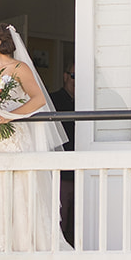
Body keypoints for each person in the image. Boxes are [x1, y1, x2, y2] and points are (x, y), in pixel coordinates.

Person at [0, 22, 69, 260]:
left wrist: (9, 116)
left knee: (16, 194)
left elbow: (38, 99)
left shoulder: (19, 68)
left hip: (11, 139)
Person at [48, 62, 75, 244]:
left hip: (87, 170)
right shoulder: (54, 100)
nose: (77, 81)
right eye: (73, 76)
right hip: (62, 172)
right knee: (61, 219)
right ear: (65, 76)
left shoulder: (91, 100)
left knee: (81, 222)